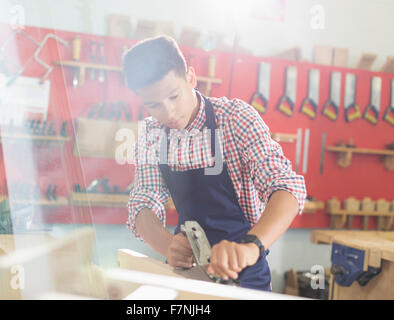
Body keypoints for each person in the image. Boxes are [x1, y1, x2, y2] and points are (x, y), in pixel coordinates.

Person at [122, 35, 306, 291]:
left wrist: (252, 247)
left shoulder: (235, 119)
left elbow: (286, 188)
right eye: (154, 105)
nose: (169, 113)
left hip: (245, 275)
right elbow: (143, 202)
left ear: (191, 78)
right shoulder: (152, 134)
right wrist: (167, 246)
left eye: (174, 96)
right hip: (186, 274)